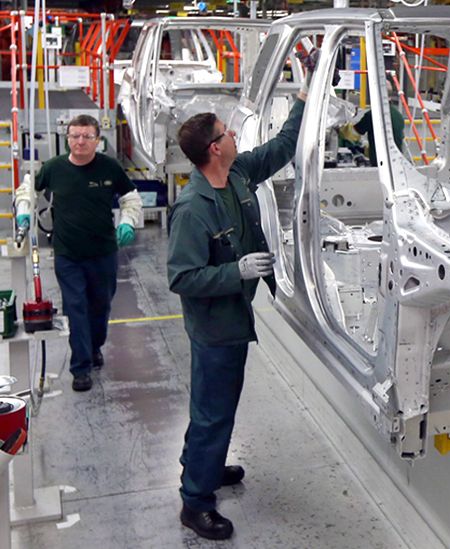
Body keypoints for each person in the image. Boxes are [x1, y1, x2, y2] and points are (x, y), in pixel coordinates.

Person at [167, 84, 307, 540]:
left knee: (212, 407)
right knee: (214, 411)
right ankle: (196, 502)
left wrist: (303, 101)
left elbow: (281, 149)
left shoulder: (239, 173)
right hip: (216, 327)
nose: (236, 139)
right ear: (214, 148)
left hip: (233, 316)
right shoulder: (192, 209)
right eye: (228, 134)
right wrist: (236, 271)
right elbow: (182, 278)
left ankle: (202, 465)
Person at [14, 114, 142, 392]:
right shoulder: (53, 168)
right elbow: (27, 191)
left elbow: (130, 197)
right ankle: (80, 368)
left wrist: (128, 222)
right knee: (76, 309)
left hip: (103, 252)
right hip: (67, 254)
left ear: (98, 140)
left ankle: (94, 347)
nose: (80, 141)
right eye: (75, 136)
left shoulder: (109, 168)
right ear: (67, 138)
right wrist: (24, 213)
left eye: (87, 136)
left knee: (101, 307)